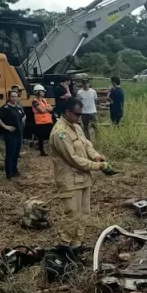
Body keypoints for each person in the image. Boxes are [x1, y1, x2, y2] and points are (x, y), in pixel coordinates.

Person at [48, 98, 113, 249]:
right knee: (72, 214)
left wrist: (96, 156)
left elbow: (87, 145)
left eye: (81, 114)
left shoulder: (76, 126)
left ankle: (76, 244)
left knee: (84, 213)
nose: (79, 117)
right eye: (77, 114)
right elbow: (73, 159)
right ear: (67, 112)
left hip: (83, 178)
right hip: (69, 180)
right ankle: (63, 246)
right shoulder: (60, 133)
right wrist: (98, 166)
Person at [0, 90, 26, 180]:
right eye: (12, 97)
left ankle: (15, 170)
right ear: (9, 97)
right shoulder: (6, 108)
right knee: (10, 153)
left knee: (16, 153)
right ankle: (9, 173)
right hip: (10, 134)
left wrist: (22, 123)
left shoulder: (18, 107)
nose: (14, 98)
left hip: (18, 133)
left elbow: (23, 116)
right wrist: (5, 126)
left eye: (16, 96)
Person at [31, 84, 54, 156]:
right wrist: (46, 108)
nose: (44, 92)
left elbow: (51, 109)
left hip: (48, 121)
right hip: (40, 122)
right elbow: (42, 111)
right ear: (38, 92)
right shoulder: (34, 101)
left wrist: (45, 108)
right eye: (42, 91)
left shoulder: (44, 100)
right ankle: (42, 152)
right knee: (41, 138)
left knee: (51, 136)